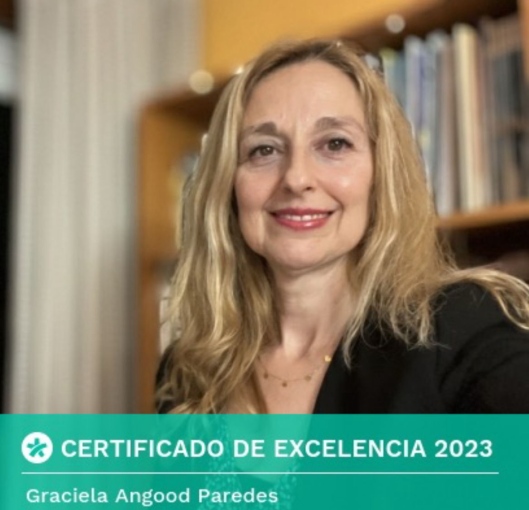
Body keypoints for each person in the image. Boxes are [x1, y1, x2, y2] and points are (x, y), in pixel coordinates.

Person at [155, 37, 529, 415]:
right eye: (264, 149)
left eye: (335, 144)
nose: (296, 178)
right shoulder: (187, 369)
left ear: (380, 174)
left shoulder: (459, 329)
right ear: (228, 186)